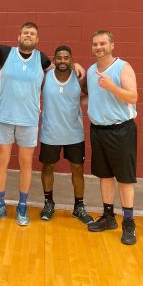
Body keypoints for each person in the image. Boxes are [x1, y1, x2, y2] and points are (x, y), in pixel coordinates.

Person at [0, 2, 85, 226]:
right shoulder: (6, 52)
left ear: (37, 39)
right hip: (4, 118)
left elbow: (62, 67)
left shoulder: (42, 59)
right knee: (2, 162)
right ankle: (0, 205)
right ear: (19, 36)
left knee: (26, 165)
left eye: (32, 33)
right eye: (25, 32)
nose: (28, 35)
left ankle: (22, 207)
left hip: (29, 121)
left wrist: (77, 65)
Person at [85, 30, 138, 245]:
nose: (99, 47)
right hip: (98, 130)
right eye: (95, 44)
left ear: (112, 45)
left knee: (124, 178)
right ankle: (108, 217)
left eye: (103, 43)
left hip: (121, 130)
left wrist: (111, 86)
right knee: (104, 175)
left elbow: (133, 96)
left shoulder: (123, 67)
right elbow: (91, 97)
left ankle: (128, 222)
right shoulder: (90, 71)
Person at [39, 46, 93, 224]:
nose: (63, 61)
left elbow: (92, 93)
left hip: (74, 133)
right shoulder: (45, 77)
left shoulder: (79, 78)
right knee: (48, 168)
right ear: (54, 60)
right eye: (59, 58)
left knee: (77, 169)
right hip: (50, 132)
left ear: (71, 60)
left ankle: (79, 206)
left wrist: (78, 103)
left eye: (66, 58)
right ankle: (48, 203)